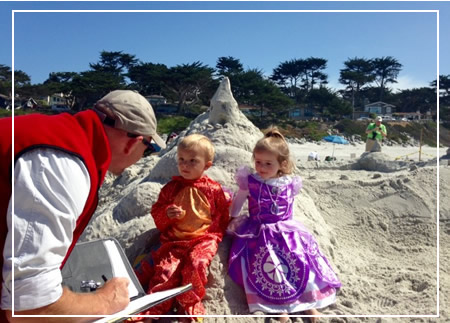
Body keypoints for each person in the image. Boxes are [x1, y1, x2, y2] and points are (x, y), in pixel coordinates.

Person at [0, 89, 166, 322]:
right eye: (149, 150)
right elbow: (29, 308)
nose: (143, 157)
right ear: (134, 143)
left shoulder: (54, 136)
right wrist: (105, 301)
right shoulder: (62, 162)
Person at [227, 127, 341, 323]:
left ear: (282, 164)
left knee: (300, 261)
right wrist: (232, 218)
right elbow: (238, 202)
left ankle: (310, 305)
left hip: (286, 229)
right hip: (259, 230)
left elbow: (288, 208)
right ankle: (281, 310)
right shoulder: (250, 181)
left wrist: (288, 228)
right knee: (272, 265)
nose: (261, 167)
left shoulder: (290, 182)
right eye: (258, 162)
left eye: (268, 163)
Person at [134, 134, 230, 319]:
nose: (185, 165)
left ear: (206, 165)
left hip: (202, 240)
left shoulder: (213, 190)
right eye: (182, 160)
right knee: (165, 272)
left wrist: (213, 236)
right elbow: (157, 212)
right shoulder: (171, 189)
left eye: (192, 161)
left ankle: (190, 306)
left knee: (196, 265)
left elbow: (221, 216)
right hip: (175, 241)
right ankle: (155, 310)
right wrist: (167, 214)